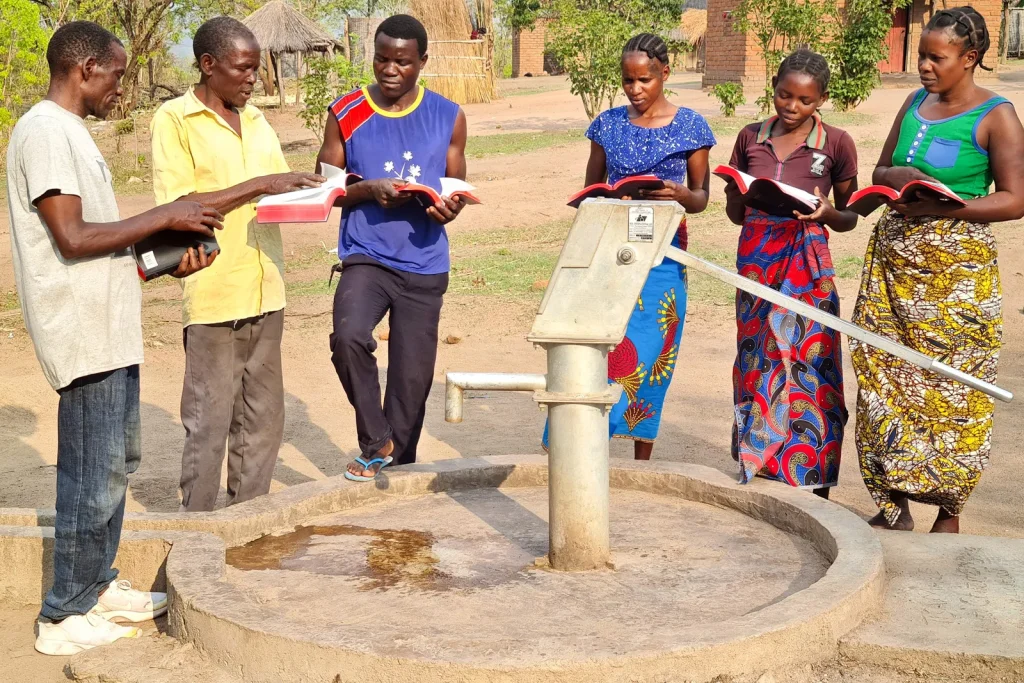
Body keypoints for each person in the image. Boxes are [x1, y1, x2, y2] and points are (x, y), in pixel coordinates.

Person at [6, 21, 222, 654]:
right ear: (84, 70)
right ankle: (63, 615)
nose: (121, 88)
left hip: (110, 325)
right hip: (82, 332)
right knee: (89, 475)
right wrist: (169, 213)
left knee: (113, 467)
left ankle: (97, 586)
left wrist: (162, 257)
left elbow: (100, 245)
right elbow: (71, 237)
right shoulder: (44, 130)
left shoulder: (72, 134)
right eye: (118, 75)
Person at [851, 7, 1024, 532]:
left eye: (936, 57)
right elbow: (880, 169)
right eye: (922, 55)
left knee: (955, 389)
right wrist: (900, 175)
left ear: (969, 59)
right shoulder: (914, 102)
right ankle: (892, 505)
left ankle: (949, 512)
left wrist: (948, 209)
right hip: (892, 266)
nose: (924, 66)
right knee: (884, 376)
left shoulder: (997, 115)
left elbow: (1015, 199)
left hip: (956, 275)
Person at [151, 17, 325, 512]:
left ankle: (247, 526)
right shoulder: (174, 120)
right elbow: (180, 205)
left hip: (267, 286)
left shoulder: (254, 119)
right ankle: (198, 534)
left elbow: (273, 190)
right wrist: (263, 185)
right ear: (208, 65)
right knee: (209, 419)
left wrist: (313, 192)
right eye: (243, 68)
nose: (253, 78)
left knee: (263, 419)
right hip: (213, 292)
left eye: (256, 68)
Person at [542, 33, 715, 460]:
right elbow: (589, 191)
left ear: (665, 75)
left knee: (653, 352)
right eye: (628, 81)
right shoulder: (606, 125)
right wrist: (609, 197)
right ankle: (580, 449)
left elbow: (701, 198)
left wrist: (678, 194)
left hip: (662, 254)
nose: (635, 90)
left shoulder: (691, 126)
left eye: (645, 80)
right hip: (609, 252)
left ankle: (641, 460)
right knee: (599, 347)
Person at [314, 14, 468, 481]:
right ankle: (375, 438)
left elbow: (455, 183)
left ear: (422, 61)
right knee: (348, 337)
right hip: (367, 255)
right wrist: (368, 190)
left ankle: (397, 481)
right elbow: (323, 186)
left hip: (424, 261)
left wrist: (451, 206)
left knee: (411, 384)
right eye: (381, 59)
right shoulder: (347, 111)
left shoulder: (448, 114)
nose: (389, 69)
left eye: (402, 61)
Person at [724, 50, 858, 498]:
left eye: (803, 100)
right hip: (757, 259)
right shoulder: (749, 137)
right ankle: (760, 462)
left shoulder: (837, 143)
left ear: (821, 99)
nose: (791, 106)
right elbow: (736, 215)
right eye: (783, 94)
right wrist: (736, 192)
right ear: (774, 87)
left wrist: (826, 213)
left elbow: (849, 216)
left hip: (806, 260)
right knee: (757, 358)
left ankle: (813, 474)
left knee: (809, 359)